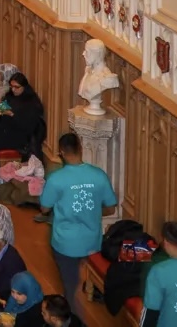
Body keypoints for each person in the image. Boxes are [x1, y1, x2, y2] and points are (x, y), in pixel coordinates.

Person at [39, 133, 118, 322]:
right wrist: (91, 214)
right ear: (80, 148)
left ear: (61, 153)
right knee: (76, 286)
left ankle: (73, 322)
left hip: (65, 243)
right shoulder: (98, 175)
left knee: (70, 290)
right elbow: (110, 207)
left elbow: (44, 208)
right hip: (93, 241)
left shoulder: (56, 179)